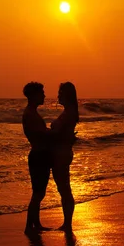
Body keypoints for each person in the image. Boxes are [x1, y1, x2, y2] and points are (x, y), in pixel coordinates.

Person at [22, 82, 53, 234]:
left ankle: (36, 223)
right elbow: (40, 134)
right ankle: (29, 226)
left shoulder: (31, 113)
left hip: (40, 154)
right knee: (38, 193)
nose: (44, 95)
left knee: (39, 192)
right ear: (34, 95)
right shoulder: (30, 114)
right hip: (38, 155)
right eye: (42, 93)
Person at [50, 82, 79, 232]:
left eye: (61, 93)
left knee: (64, 189)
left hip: (62, 153)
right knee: (63, 189)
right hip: (62, 152)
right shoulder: (69, 112)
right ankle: (67, 223)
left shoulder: (69, 113)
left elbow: (60, 133)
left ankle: (67, 224)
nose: (58, 96)